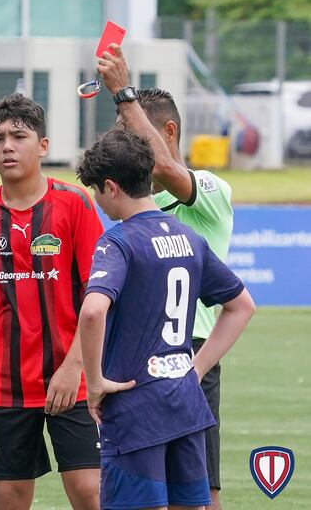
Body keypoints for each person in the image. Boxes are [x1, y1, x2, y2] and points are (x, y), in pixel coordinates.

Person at [76, 128, 255, 510]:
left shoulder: (118, 242)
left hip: (135, 406)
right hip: (185, 405)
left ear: (111, 187)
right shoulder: (189, 237)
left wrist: (94, 383)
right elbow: (242, 306)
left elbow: (92, 311)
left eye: (95, 190)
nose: (97, 200)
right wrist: (197, 368)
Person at [0, 93, 104, 510]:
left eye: (19, 136)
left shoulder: (75, 203)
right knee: (7, 500)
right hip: (6, 385)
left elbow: (100, 296)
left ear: (43, 146)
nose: (8, 146)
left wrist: (74, 367)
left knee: (90, 491)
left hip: (74, 381)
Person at [98, 45, 235, 510]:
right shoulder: (130, 209)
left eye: (134, 132)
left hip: (189, 353)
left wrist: (123, 94)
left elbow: (163, 168)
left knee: (200, 495)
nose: (128, 149)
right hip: (133, 359)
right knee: (139, 493)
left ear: (168, 131)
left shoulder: (210, 190)